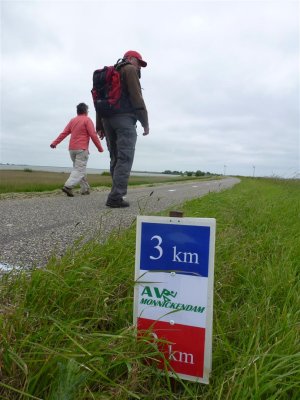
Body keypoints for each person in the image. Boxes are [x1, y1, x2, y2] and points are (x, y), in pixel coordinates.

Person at [96, 50, 149, 208]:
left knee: (115, 158)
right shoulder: (129, 69)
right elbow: (136, 96)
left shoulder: (109, 74)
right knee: (125, 158)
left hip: (107, 120)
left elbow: (99, 99)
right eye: (139, 62)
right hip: (124, 119)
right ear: (131, 59)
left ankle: (115, 193)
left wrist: (99, 125)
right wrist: (145, 122)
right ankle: (116, 197)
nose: (139, 67)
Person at [50, 102, 104, 197]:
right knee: (79, 170)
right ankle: (68, 186)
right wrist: (100, 148)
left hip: (72, 149)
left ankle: (85, 189)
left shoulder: (72, 121)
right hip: (81, 149)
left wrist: (55, 143)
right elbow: (93, 135)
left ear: (78, 111)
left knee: (80, 169)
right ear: (86, 111)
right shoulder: (87, 120)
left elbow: (64, 133)